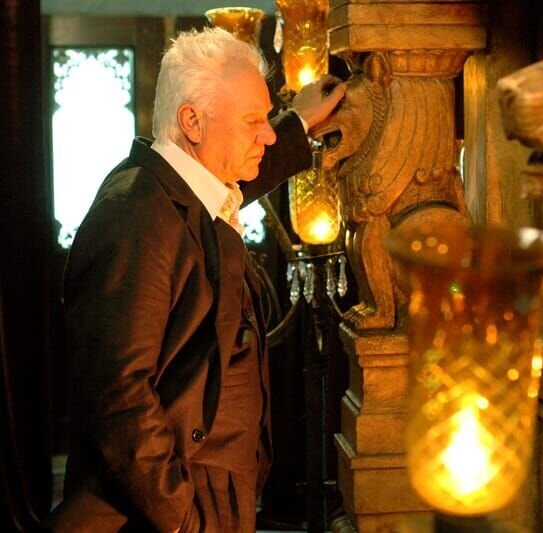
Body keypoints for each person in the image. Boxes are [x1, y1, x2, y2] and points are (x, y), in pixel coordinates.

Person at [49, 27, 346, 532]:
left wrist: (299, 121)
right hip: (171, 509)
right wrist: (180, 516)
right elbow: (119, 394)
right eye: (253, 121)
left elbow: (235, 177)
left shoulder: (187, 189)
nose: (267, 135)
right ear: (192, 120)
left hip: (217, 496)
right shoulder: (134, 214)